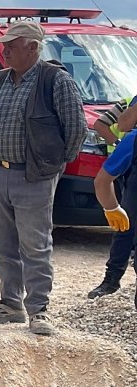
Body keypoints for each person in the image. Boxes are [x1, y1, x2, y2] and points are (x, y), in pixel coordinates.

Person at [0, 21, 86, 336]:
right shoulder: (1, 79)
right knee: (3, 244)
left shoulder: (56, 80)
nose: (5, 50)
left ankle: (39, 310)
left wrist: (53, 167)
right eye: (5, 44)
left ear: (33, 48)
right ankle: (10, 305)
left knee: (35, 245)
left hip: (33, 176)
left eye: (12, 45)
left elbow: (76, 130)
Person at [86, 97, 137, 299]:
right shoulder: (133, 138)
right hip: (128, 177)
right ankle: (112, 279)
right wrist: (112, 208)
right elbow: (119, 124)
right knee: (124, 229)